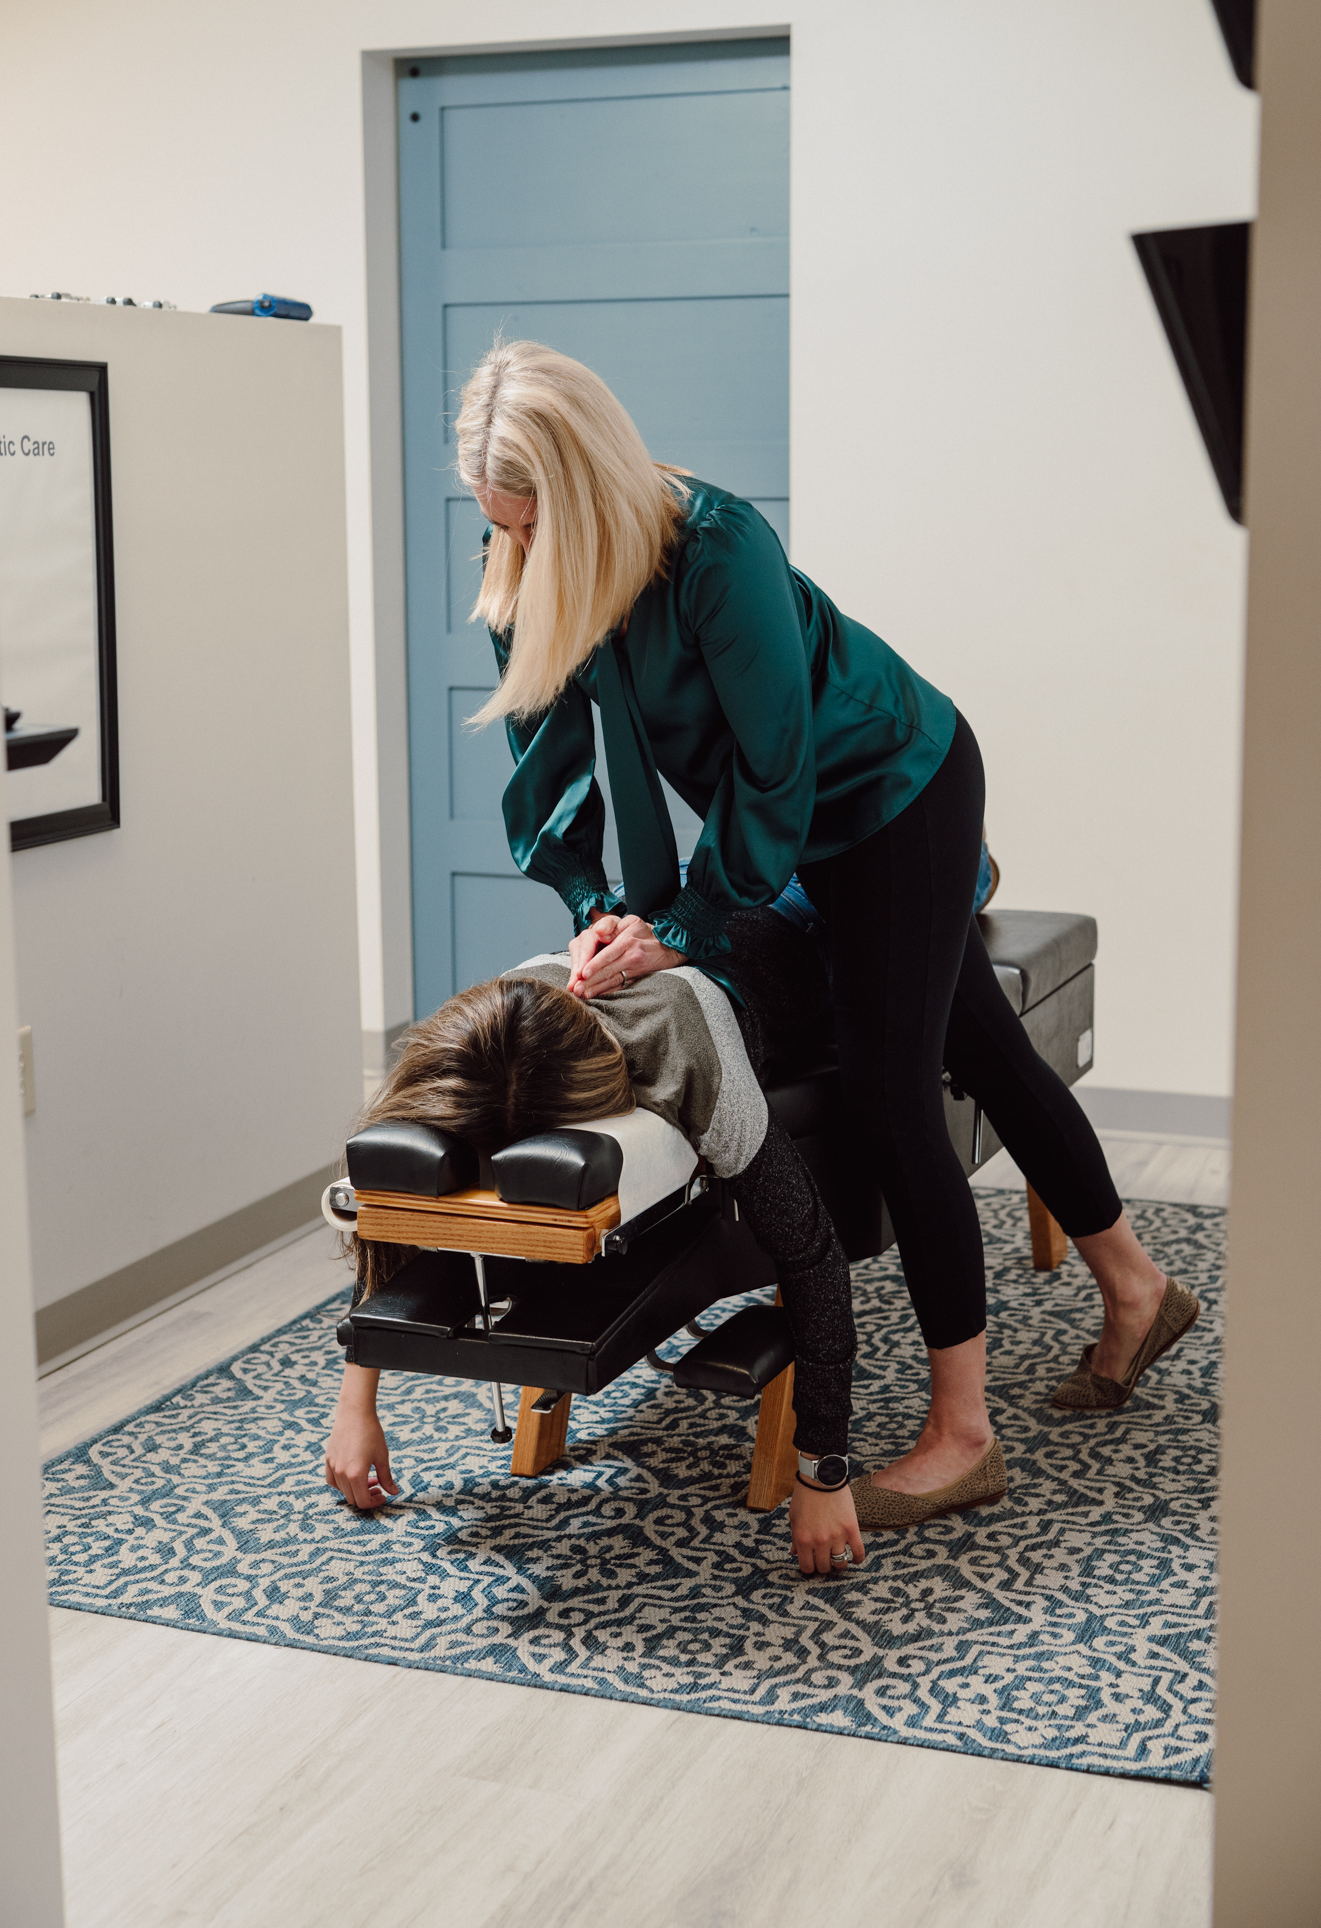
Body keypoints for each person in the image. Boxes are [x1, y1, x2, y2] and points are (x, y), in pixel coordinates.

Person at [443, 338, 1200, 1577]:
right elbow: (546, 763)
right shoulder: (524, 555)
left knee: (893, 1090)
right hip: (796, 819)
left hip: (892, 789)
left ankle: (963, 1433)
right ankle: (1134, 1286)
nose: (512, 548)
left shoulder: (714, 546)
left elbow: (775, 768)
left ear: (584, 492)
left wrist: (683, 924)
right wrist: (594, 903)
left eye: (529, 523)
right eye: (497, 525)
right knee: (981, 1043)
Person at [325, 903, 861, 1546]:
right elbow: (392, 1214)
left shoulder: (687, 1047)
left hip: (795, 928)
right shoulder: (478, 1041)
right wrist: (354, 1406)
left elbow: (812, 1253)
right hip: (672, 900)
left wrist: (823, 1474)